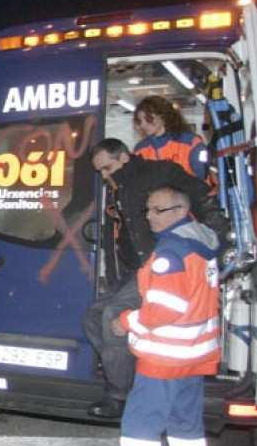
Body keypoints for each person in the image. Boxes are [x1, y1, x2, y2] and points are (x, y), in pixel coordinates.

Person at [84, 138, 227, 419]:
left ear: (124, 157)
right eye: (100, 171)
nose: (104, 175)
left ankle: (118, 395)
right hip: (138, 268)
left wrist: (218, 237)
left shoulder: (159, 172)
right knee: (94, 315)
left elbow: (199, 196)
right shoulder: (120, 185)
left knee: (113, 314)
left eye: (107, 167)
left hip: (162, 265)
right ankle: (129, 372)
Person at [101, 185, 220, 446]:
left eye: (158, 210)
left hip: (165, 357)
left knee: (142, 424)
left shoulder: (170, 253)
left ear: (181, 210)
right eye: (148, 210)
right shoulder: (203, 242)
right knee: (186, 425)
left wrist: (125, 321)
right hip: (195, 355)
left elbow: (163, 309)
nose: (150, 216)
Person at [133, 95, 212, 183]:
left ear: (163, 116)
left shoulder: (190, 143)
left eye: (149, 119)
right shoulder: (140, 150)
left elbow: (203, 176)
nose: (143, 125)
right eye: (140, 121)